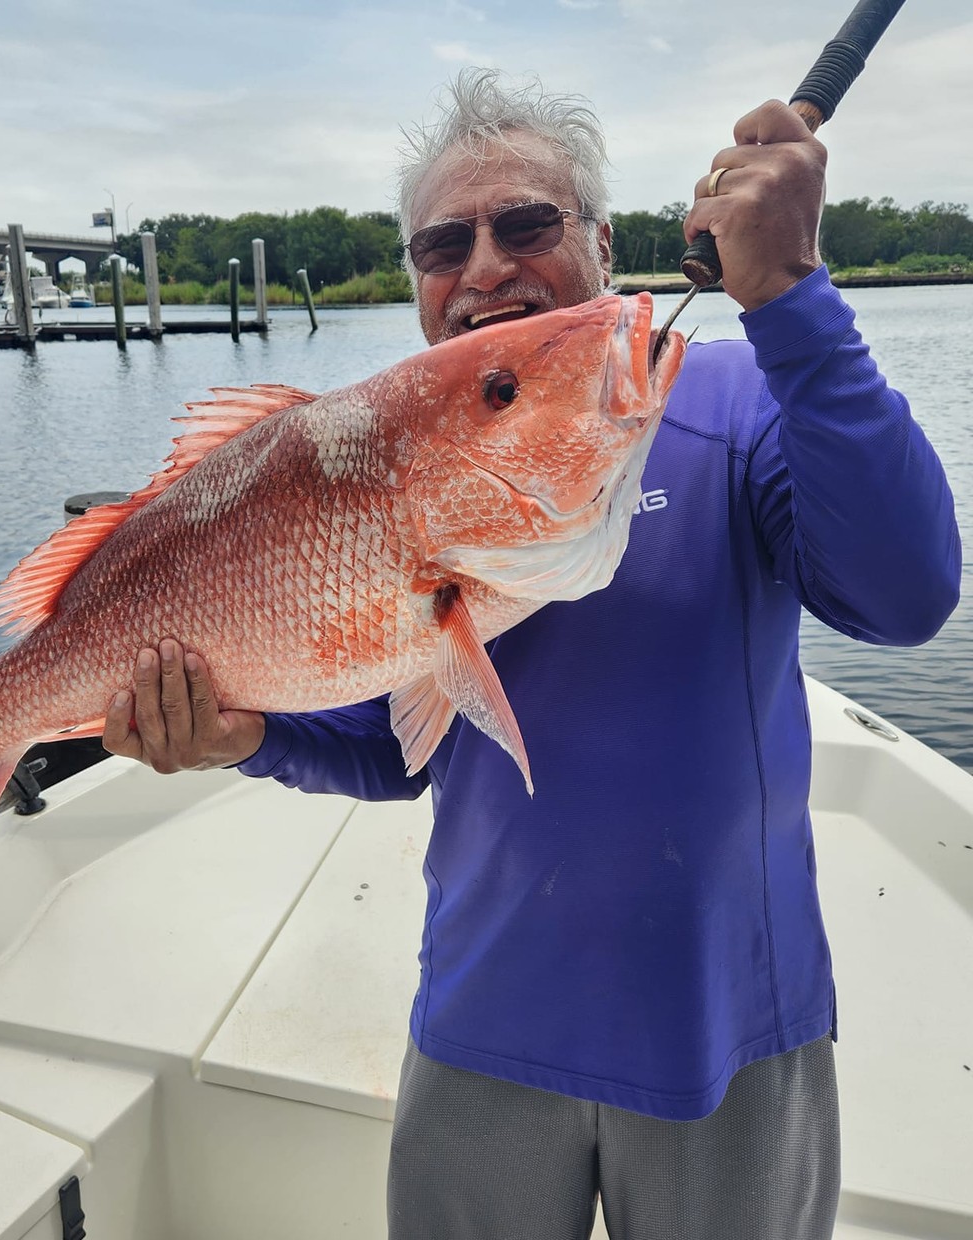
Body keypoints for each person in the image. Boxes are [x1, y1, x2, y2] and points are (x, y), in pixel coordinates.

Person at [103, 69, 960, 1240]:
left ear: (604, 245)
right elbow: (390, 744)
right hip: (483, 1017)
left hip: (727, 1024)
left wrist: (793, 298)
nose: (484, 268)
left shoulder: (734, 400)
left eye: (526, 225)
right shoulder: (389, 454)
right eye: (442, 244)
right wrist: (242, 734)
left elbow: (906, 594)